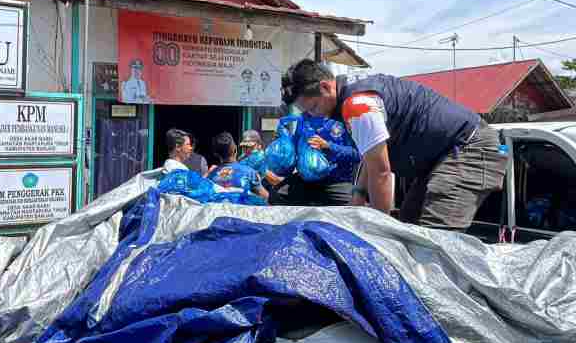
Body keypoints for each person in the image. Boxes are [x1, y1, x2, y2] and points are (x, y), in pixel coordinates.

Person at [281, 59, 507, 231]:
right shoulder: (348, 94)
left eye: (314, 107)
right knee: (409, 223)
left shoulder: (357, 104)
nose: (314, 115)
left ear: (325, 87)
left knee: (435, 240)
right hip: (438, 157)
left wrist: (378, 232)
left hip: (468, 146)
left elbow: (381, 173)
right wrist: (358, 196)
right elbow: (370, 157)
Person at [286, 115, 361, 206]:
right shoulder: (303, 120)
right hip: (306, 181)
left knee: (353, 209)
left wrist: (328, 146)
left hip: (336, 183)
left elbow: (357, 154)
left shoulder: (343, 119)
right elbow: (295, 148)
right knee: (278, 195)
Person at [207, 132, 269, 200]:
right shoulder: (250, 172)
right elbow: (265, 197)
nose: (246, 149)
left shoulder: (211, 176)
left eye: (250, 147)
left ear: (216, 154)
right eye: (244, 147)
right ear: (235, 150)